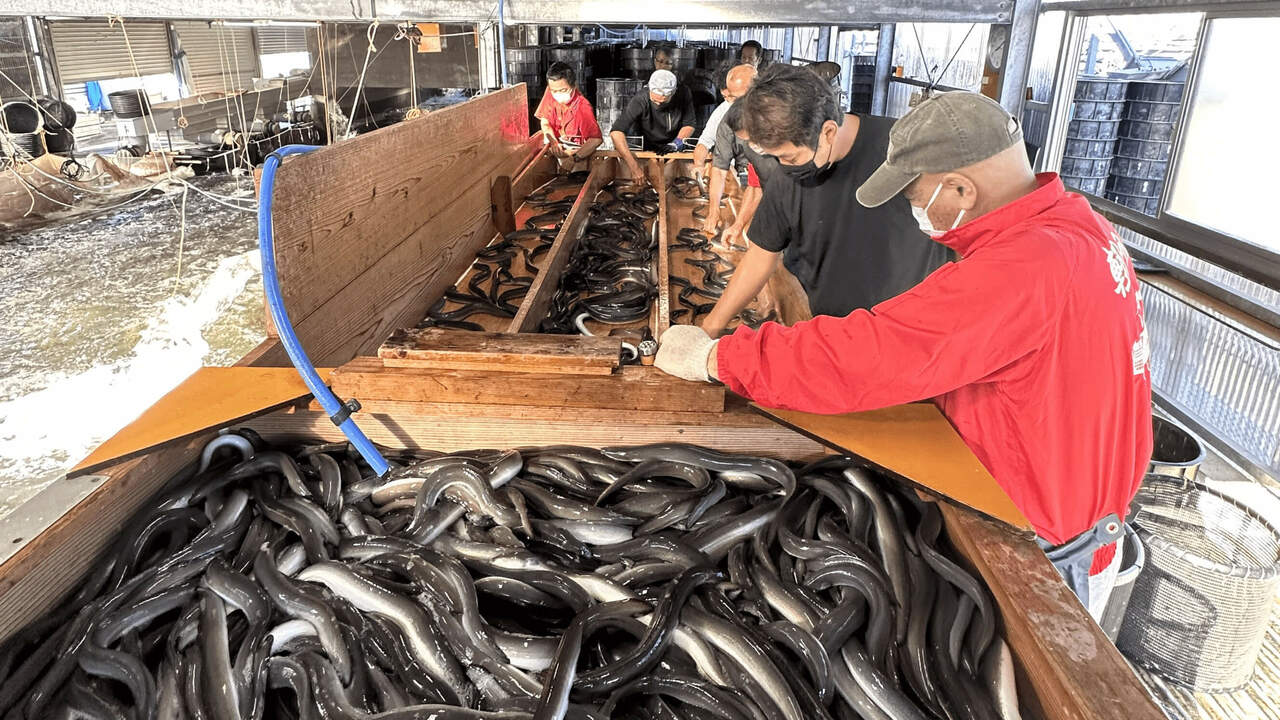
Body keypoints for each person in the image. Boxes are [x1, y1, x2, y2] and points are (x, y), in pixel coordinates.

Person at [654, 90, 1155, 618]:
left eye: (915, 198)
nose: (914, 212)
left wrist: (717, 359)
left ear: (960, 187)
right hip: (1075, 503)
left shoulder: (1026, 265)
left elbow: (868, 355)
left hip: (1046, 535)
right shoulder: (1078, 228)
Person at [696, 64, 949, 335]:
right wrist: (709, 328)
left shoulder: (906, 150)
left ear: (828, 132)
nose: (782, 167)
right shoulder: (786, 174)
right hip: (834, 330)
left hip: (913, 330)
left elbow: (963, 237)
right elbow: (761, 256)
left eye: (790, 158)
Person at [702, 100, 777, 247]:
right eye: (747, 140)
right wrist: (738, 225)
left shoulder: (798, 148)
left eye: (755, 138)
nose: (753, 145)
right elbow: (756, 188)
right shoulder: (753, 150)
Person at [609, 69, 695, 183]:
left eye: (663, 102)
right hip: (649, 149)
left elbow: (689, 124)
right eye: (654, 101)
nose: (658, 105)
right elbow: (616, 132)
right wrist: (634, 167)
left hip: (675, 147)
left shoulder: (684, 93)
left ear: (673, 93)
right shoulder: (641, 99)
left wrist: (676, 143)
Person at [691, 64, 755, 184]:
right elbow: (705, 141)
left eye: (733, 97)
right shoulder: (722, 112)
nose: (730, 101)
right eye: (725, 97)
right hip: (742, 172)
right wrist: (699, 165)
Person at [534, 62, 602, 171]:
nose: (558, 94)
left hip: (577, 155)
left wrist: (573, 159)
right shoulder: (551, 91)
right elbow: (545, 121)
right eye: (554, 91)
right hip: (556, 149)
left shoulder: (582, 107)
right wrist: (553, 142)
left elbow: (596, 140)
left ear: (573, 86)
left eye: (563, 90)